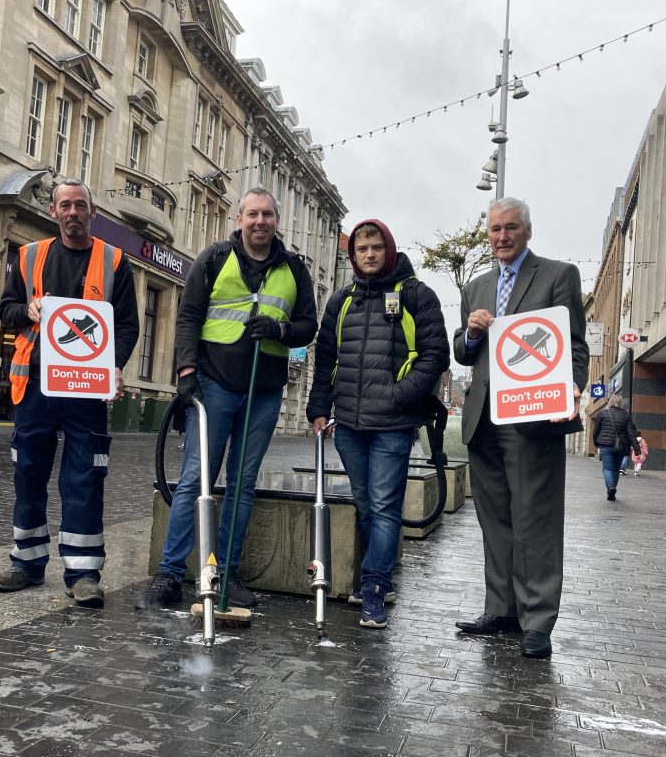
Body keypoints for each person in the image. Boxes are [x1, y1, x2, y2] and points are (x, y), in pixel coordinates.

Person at [138, 188, 317, 610]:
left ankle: (225, 572)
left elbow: (308, 325)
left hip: (264, 391)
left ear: (277, 221)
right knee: (195, 479)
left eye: (268, 215)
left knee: (241, 486)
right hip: (213, 385)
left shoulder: (293, 268)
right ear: (239, 219)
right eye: (252, 214)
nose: (260, 222)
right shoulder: (214, 258)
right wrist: (185, 374)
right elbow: (188, 317)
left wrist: (279, 331)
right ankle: (169, 572)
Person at [0, 179, 139, 607]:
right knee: (28, 476)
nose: (73, 212)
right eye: (65, 206)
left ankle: (84, 574)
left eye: (81, 206)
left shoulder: (114, 262)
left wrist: (115, 364)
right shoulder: (29, 256)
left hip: (87, 393)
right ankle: (26, 564)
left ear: (93, 212)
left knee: (85, 481)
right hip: (34, 387)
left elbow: (127, 324)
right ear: (54, 212)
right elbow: (6, 309)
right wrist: (28, 309)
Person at [452, 197, 588, 659]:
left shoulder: (558, 276)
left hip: (533, 417)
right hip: (483, 419)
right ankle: (502, 610)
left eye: (511, 228)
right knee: (496, 522)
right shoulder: (476, 286)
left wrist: (571, 388)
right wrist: (470, 333)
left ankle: (537, 621)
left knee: (536, 522)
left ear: (527, 231)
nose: (502, 237)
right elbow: (464, 353)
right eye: (494, 230)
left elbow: (574, 346)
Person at [306, 219, 449, 629]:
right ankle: (379, 578)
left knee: (385, 507)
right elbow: (326, 359)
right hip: (349, 424)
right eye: (361, 249)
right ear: (353, 255)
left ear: (389, 249)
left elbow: (435, 355)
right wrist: (320, 407)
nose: (368, 255)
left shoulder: (416, 295)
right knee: (366, 504)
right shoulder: (341, 300)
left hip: (393, 424)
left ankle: (372, 588)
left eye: (375, 247)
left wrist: (400, 398)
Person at [591, 394, 638, 501]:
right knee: (616, 469)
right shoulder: (626, 415)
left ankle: (610, 487)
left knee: (607, 468)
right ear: (620, 403)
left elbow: (596, 431)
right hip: (621, 446)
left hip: (606, 445)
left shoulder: (602, 414)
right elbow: (631, 433)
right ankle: (612, 489)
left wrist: (596, 442)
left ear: (610, 402)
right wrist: (637, 449)